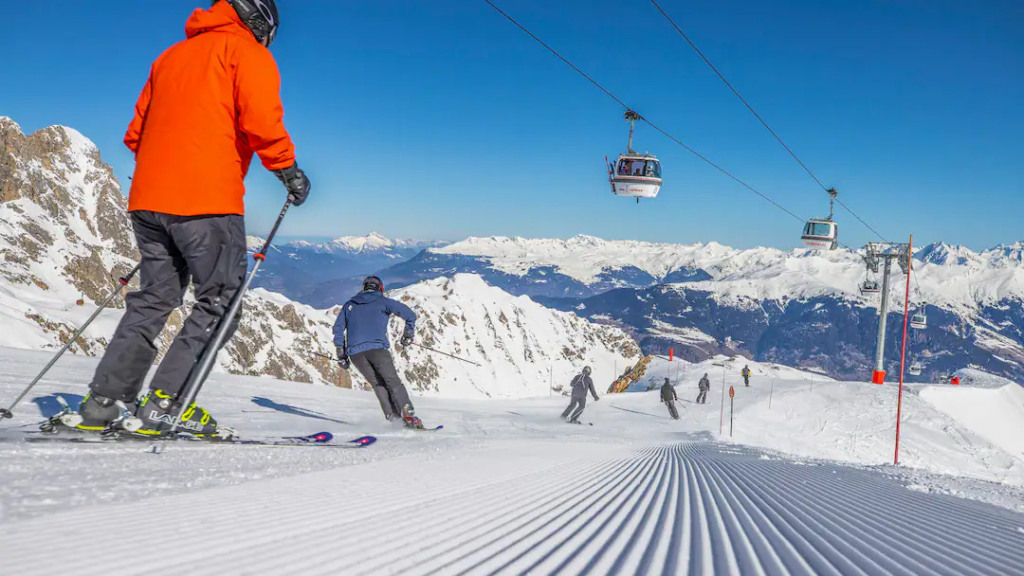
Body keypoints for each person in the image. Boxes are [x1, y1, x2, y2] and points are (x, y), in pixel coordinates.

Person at [74, 0, 309, 437]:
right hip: (206, 201)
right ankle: (166, 404)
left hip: (147, 200)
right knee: (220, 300)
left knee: (154, 299)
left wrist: (167, 167)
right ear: (259, 21)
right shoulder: (245, 53)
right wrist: (289, 172)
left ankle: (104, 402)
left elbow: (135, 134)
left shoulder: (169, 57)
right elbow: (261, 120)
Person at [334, 276, 422, 428]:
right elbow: (410, 315)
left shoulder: (349, 305)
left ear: (364, 287)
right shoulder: (384, 302)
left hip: (355, 354)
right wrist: (408, 335)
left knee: (378, 384)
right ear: (380, 288)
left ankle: (394, 419)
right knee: (393, 382)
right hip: (377, 350)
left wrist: (341, 353)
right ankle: (409, 417)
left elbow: (338, 328)